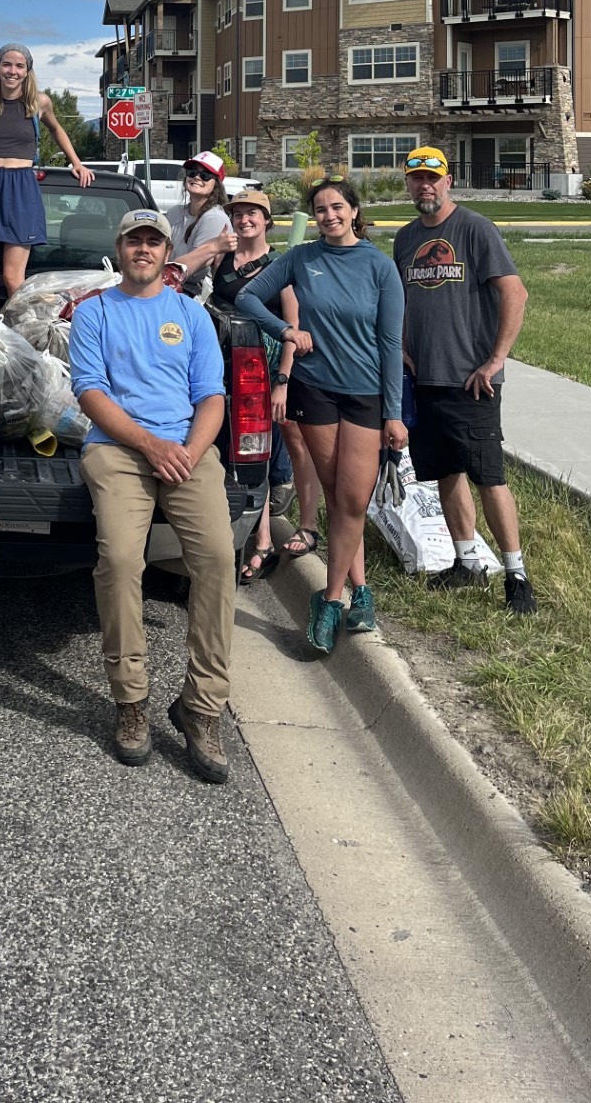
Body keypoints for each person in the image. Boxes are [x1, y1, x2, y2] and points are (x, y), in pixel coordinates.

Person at [70, 208, 233, 783]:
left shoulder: (192, 314)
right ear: (120, 249)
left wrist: (187, 450)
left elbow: (212, 395)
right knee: (118, 560)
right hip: (116, 449)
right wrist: (148, 445)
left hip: (187, 450)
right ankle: (131, 700)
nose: (143, 249)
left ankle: (201, 707)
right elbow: (89, 392)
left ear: (168, 254)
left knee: (216, 559)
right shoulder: (93, 312)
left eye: (153, 241)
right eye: (134, 240)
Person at [235, 177, 406, 655]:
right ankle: (357, 594)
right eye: (320, 208)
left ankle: (331, 599)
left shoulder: (379, 266)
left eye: (337, 206)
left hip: (366, 394)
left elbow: (392, 345)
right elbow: (249, 298)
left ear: (354, 211)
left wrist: (394, 413)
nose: (329, 215)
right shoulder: (301, 258)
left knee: (352, 498)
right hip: (317, 391)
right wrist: (287, 331)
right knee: (340, 496)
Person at [394, 146, 537, 615]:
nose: (424, 186)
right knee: (444, 472)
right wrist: (405, 350)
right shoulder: (406, 238)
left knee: (488, 476)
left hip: (471, 381)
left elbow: (515, 292)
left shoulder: (474, 229)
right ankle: (466, 560)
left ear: (448, 180)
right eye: (416, 179)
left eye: (432, 178)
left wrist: (496, 360)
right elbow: (401, 301)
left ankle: (516, 575)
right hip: (426, 379)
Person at [176, 187, 322, 581]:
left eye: (252, 214)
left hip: (267, 366)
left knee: (273, 447)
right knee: (235, 449)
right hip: (225, 360)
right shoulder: (223, 255)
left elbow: (294, 326)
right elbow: (179, 270)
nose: (244, 220)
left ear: (267, 221)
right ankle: (258, 539)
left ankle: (284, 531)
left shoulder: (280, 266)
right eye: (238, 214)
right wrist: (211, 246)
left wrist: (282, 382)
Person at [0, 44, 94, 314]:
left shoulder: (38, 103)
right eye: (7, 64)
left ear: (28, 70)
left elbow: (56, 129)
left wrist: (76, 163)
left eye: (20, 66)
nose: (12, 71)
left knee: (13, 280)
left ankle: (20, 345)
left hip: (22, 187)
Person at [162, 152, 233, 298]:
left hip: (194, 295)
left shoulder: (214, 218)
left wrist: (161, 271)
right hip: (167, 286)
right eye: (192, 172)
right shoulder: (175, 213)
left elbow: (186, 270)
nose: (197, 177)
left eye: (205, 175)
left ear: (216, 184)